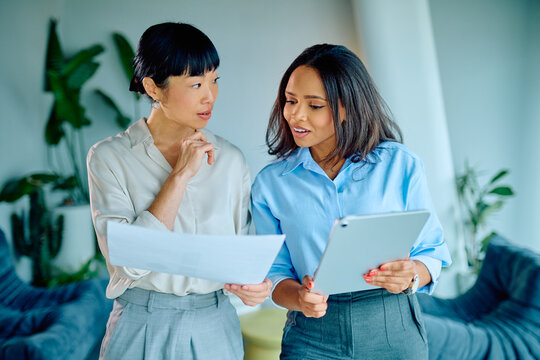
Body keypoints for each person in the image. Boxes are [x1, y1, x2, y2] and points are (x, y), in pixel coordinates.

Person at [251, 44, 452, 359]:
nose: (295, 115)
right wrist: (299, 298)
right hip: (312, 335)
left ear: (347, 108)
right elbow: (274, 273)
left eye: (314, 105)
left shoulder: (400, 165)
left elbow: (433, 252)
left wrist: (411, 272)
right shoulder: (271, 184)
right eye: (290, 101)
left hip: (391, 323)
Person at [87, 22, 271, 360]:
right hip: (142, 324)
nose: (210, 96)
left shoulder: (230, 160)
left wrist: (255, 286)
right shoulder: (109, 157)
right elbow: (129, 263)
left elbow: (244, 256)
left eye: (215, 80)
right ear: (153, 88)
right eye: (196, 83)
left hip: (216, 325)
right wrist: (180, 175)